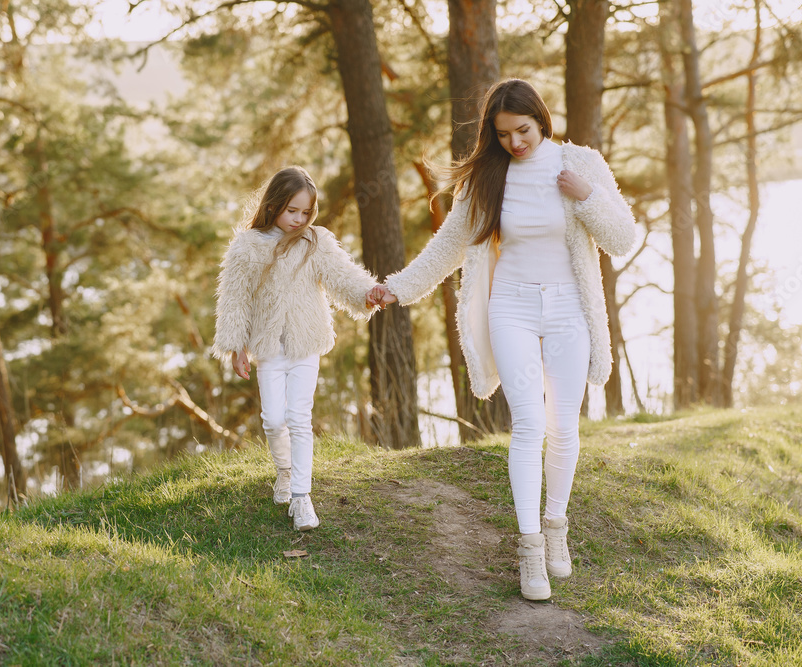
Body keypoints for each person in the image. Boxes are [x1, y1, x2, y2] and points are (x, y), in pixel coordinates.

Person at [368, 79, 636, 600]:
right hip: (509, 306)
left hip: (567, 309)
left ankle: (556, 528)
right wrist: (396, 289)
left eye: (523, 130)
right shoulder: (489, 178)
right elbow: (446, 248)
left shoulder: (581, 164)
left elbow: (622, 238)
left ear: (542, 120)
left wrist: (588, 198)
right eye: (504, 134)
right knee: (528, 424)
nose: (516, 143)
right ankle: (530, 548)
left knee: (562, 425)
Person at [212, 166, 381, 531]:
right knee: (274, 420)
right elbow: (234, 299)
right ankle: (285, 473)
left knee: (298, 418)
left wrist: (366, 294)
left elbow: (342, 277)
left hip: (306, 344)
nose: (299, 219)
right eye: (293, 211)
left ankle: (303, 498)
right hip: (268, 347)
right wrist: (236, 346)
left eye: (306, 212)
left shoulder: (315, 242)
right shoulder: (248, 246)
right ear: (274, 205)